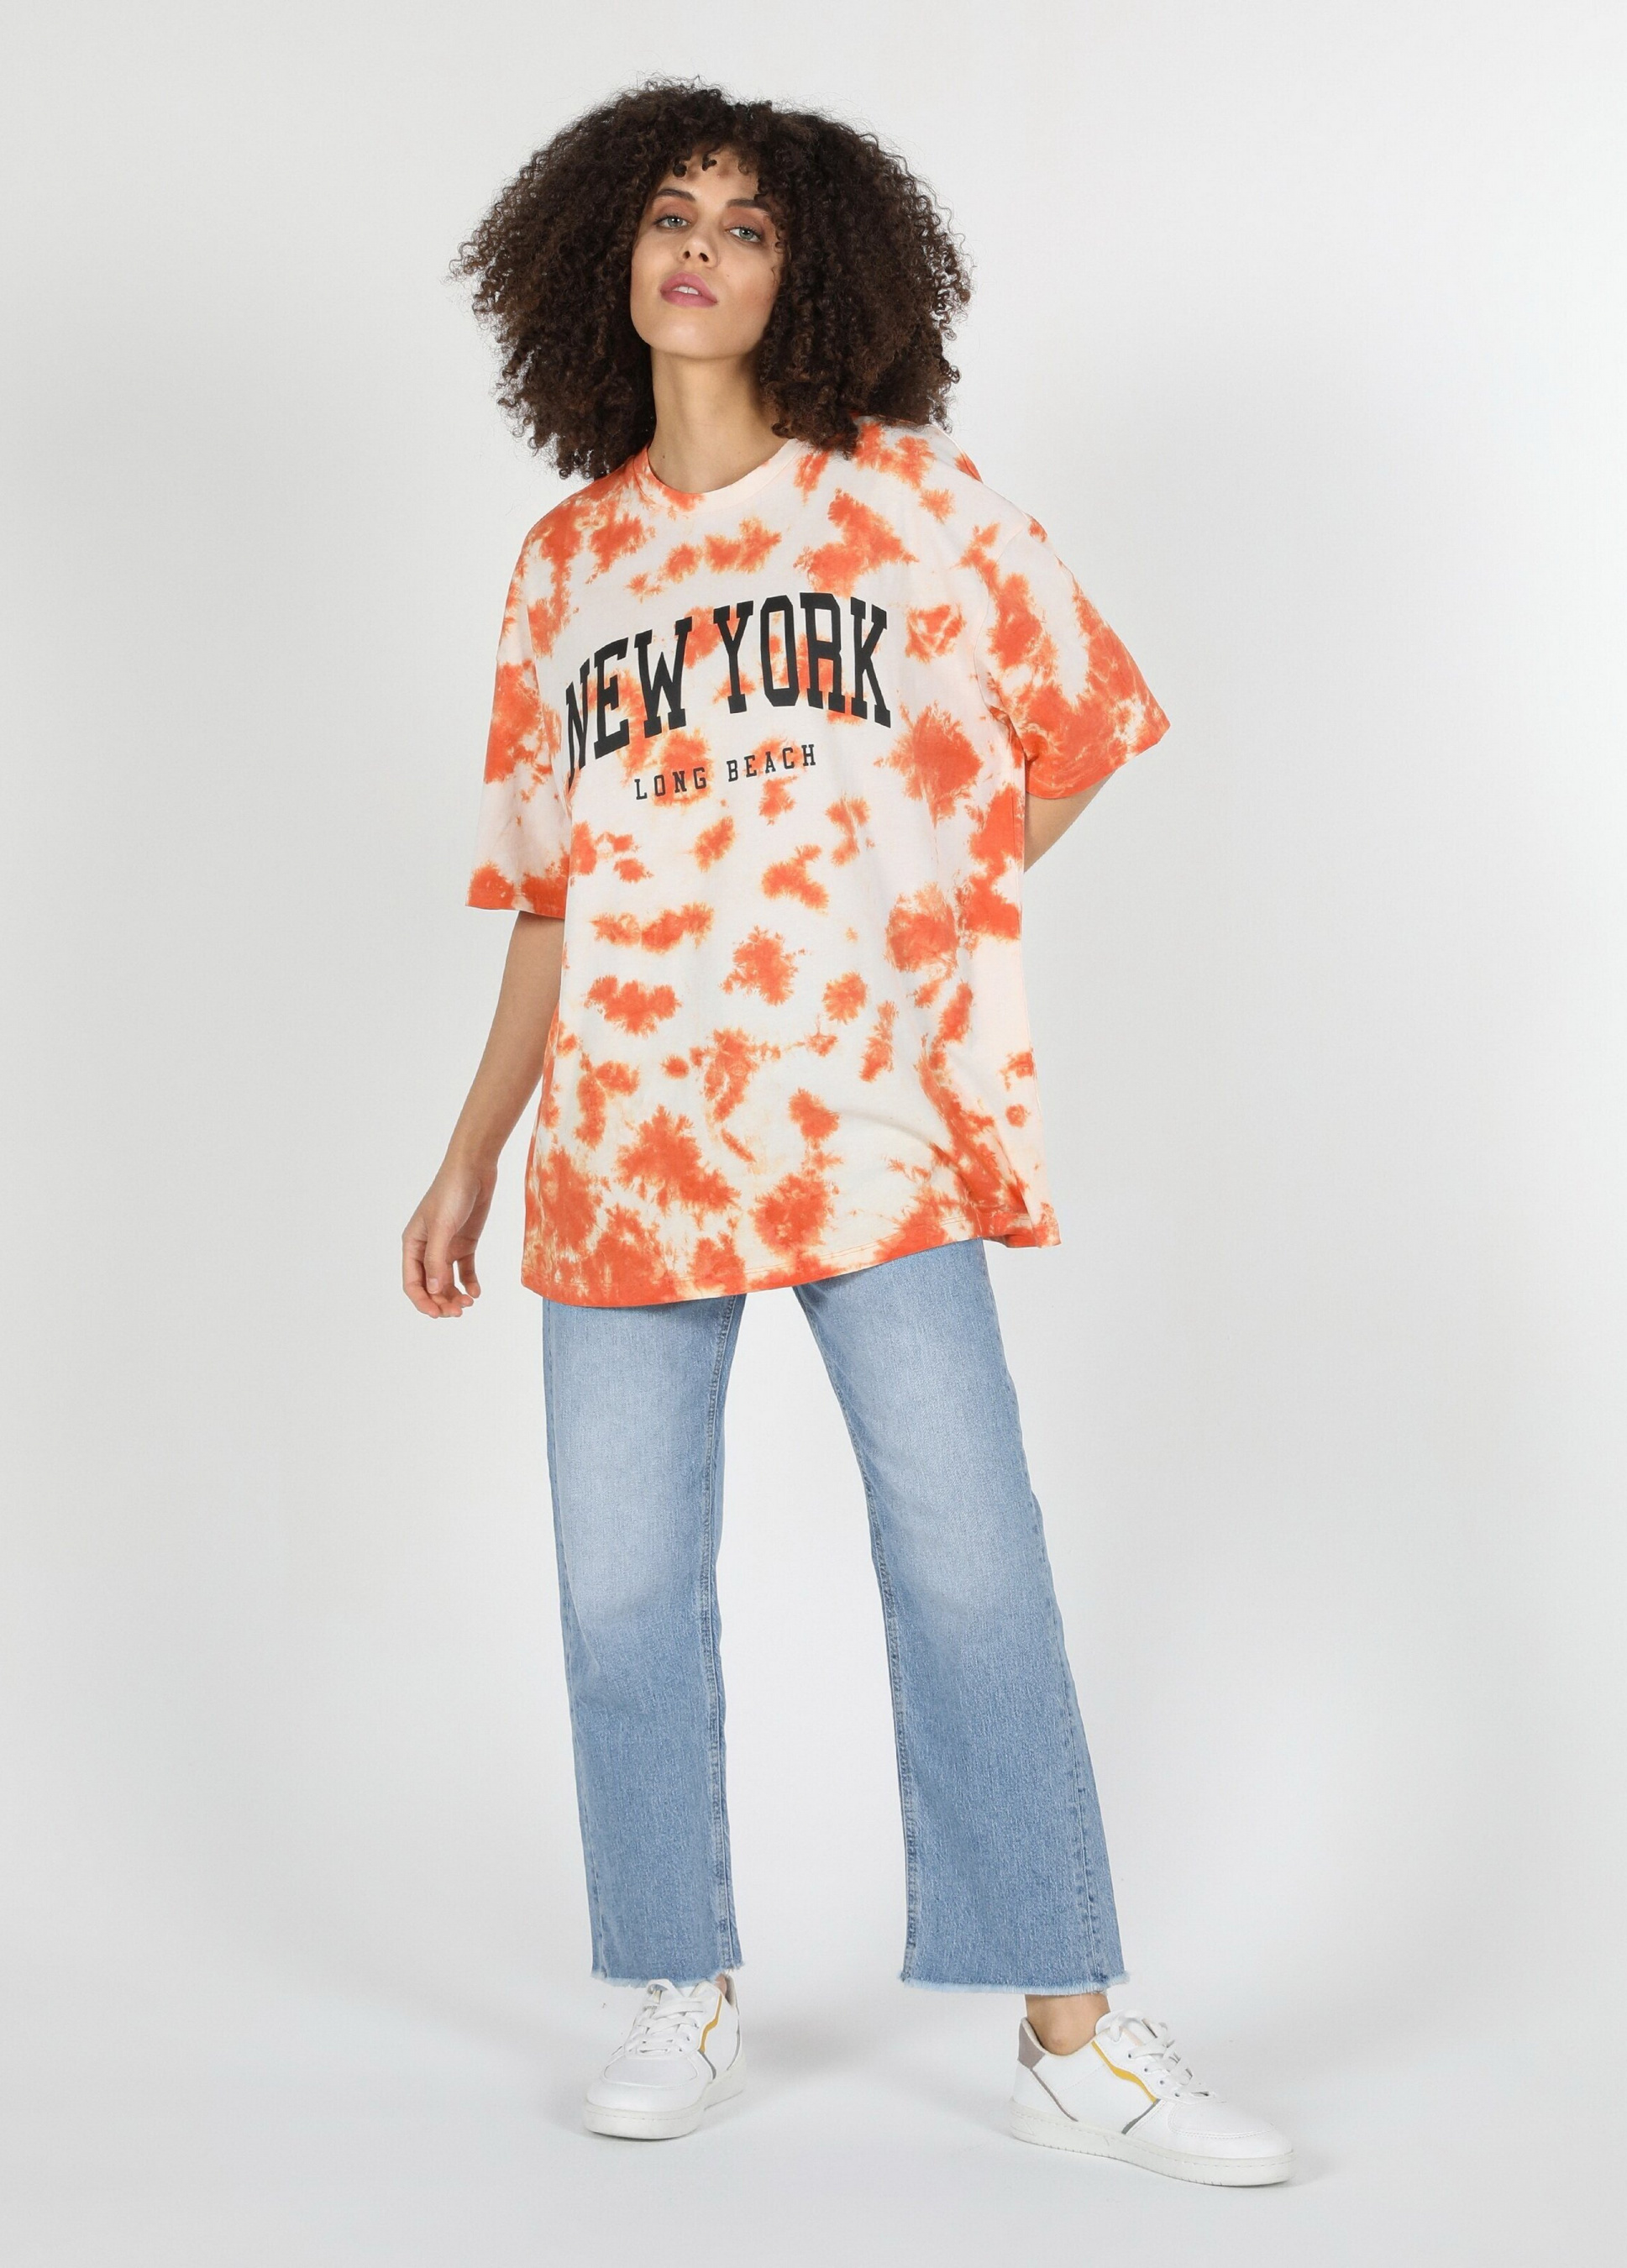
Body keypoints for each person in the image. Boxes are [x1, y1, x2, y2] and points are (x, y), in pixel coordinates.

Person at [402, 81, 1291, 2187]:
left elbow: (1079, 726)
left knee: (970, 1566)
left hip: (866, 1128)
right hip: (622, 1142)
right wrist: (467, 1151)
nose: (698, 252)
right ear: (604, 259)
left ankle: (1068, 2027)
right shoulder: (564, 567)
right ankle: (675, 1977)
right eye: (668, 217)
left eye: (747, 227)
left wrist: (921, 911)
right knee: (622, 1589)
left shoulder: (904, 501)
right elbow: (548, 896)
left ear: (810, 278)